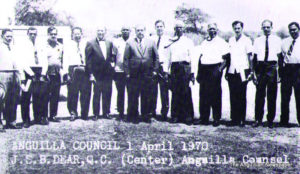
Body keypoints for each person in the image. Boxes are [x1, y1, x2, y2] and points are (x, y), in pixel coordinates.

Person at [195, 23, 230, 127]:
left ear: (217, 30)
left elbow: (227, 58)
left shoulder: (222, 42)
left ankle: (216, 118)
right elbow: (200, 58)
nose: (212, 31)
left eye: (214, 29)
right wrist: (199, 73)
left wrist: (219, 70)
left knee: (215, 95)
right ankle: (204, 118)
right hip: (204, 69)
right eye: (210, 29)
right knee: (203, 95)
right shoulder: (205, 42)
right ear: (207, 30)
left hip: (215, 68)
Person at [123, 24, 159, 123]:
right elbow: (126, 59)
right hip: (134, 74)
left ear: (144, 31)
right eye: (138, 30)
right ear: (135, 32)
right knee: (133, 95)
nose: (140, 32)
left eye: (141, 30)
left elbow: (156, 58)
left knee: (146, 95)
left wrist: (155, 70)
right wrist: (127, 72)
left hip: (147, 73)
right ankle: (133, 116)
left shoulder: (151, 42)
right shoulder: (130, 43)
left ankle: (146, 115)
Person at [252, 20, 281, 128]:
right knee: (259, 94)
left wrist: (280, 73)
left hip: (272, 67)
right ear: (261, 28)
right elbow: (254, 58)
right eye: (264, 27)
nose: (266, 29)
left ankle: (270, 120)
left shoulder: (277, 40)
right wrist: (254, 72)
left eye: (268, 27)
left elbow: (280, 57)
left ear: (271, 28)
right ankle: (258, 119)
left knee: (272, 95)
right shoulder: (257, 40)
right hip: (260, 67)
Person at [19, 27, 49, 127]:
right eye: (31, 33)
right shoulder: (23, 45)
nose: (33, 35)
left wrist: (43, 73)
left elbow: (44, 59)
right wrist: (31, 73)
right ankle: (26, 120)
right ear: (27, 34)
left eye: (34, 34)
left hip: (39, 71)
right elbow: (22, 61)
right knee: (26, 97)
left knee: (40, 96)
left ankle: (39, 118)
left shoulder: (40, 44)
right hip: (28, 72)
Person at [85, 26, 114, 121]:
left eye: (102, 30)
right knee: (97, 94)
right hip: (97, 73)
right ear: (96, 32)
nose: (100, 32)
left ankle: (106, 112)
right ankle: (96, 114)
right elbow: (88, 60)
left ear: (105, 32)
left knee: (107, 93)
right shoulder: (91, 43)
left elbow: (111, 57)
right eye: (98, 30)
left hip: (107, 73)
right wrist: (91, 74)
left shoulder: (109, 43)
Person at [227, 21, 253, 127]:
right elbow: (229, 57)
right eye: (235, 28)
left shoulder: (247, 40)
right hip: (232, 71)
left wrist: (251, 71)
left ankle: (242, 119)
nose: (237, 30)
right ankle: (234, 118)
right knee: (233, 95)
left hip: (243, 71)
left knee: (241, 95)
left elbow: (250, 57)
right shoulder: (231, 40)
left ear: (242, 28)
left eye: (239, 28)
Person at [168, 21, 194, 124]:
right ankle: (175, 116)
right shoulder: (171, 41)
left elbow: (193, 57)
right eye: (176, 28)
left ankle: (188, 116)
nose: (179, 29)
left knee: (186, 91)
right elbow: (168, 57)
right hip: (174, 68)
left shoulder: (188, 41)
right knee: (175, 91)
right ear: (174, 29)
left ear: (183, 29)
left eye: (180, 28)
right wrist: (166, 71)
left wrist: (192, 72)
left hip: (185, 67)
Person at [64, 27, 91, 121]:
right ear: (72, 35)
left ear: (81, 34)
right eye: (75, 34)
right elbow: (65, 59)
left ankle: (84, 113)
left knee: (85, 92)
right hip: (72, 69)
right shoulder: (68, 45)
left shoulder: (86, 44)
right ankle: (73, 113)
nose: (77, 35)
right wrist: (66, 73)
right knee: (72, 93)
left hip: (84, 68)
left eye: (79, 33)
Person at [279, 22, 300, 127]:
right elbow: (281, 58)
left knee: (299, 97)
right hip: (287, 70)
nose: (293, 31)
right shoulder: (284, 42)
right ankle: (284, 120)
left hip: (298, 69)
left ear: (298, 29)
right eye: (291, 30)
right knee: (285, 97)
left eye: (295, 29)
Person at [0, 29, 21, 129]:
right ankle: (0, 124)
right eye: (7, 36)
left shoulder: (13, 47)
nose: (9, 38)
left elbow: (16, 62)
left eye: (10, 36)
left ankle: (11, 121)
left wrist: (18, 74)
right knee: (1, 98)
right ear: (2, 36)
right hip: (2, 73)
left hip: (14, 73)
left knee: (13, 99)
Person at [150, 20, 171, 121]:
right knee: (152, 90)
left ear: (164, 27)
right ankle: (152, 111)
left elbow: (169, 56)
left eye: (161, 26)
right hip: (154, 67)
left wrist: (167, 70)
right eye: (157, 26)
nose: (159, 28)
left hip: (163, 68)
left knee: (164, 91)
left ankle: (164, 113)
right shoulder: (151, 39)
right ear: (155, 28)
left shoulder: (168, 40)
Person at [45, 26, 65, 122]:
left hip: (56, 74)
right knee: (45, 95)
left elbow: (61, 60)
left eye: (55, 34)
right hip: (46, 74)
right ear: (48, 34)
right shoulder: (44, 46)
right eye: (51, 34)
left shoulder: (60, 46)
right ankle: (44, 116)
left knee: (55, 95)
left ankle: (53, 115)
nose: (53, 36)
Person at [112, 26, 131, 121]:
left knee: (131, 92)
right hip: (119, 70)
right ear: (121, 31)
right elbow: (113, 56)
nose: (125, 31)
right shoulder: (116, 42)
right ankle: (120, 112)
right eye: (123, 30)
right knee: (120, 92)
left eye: (127, 30)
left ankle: (131, 112)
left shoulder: (133, 41)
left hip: (131, 71)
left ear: (130, 31)